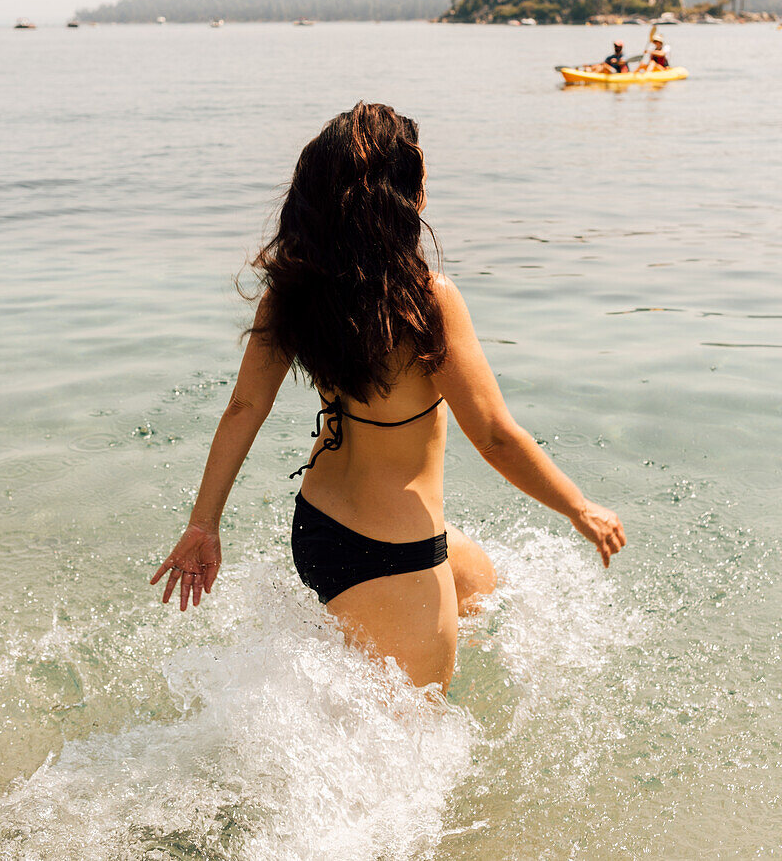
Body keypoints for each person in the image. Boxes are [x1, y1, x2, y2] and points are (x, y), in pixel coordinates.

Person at [150, 102, 627, 693]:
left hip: (318, 527)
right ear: (402, 197)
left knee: (480, 588)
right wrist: (580, 507)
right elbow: (496, 436)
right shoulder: (426, 302)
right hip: (393, 548)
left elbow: (243, 409)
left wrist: (205, 524)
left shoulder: (295, 297)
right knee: (419, 741)